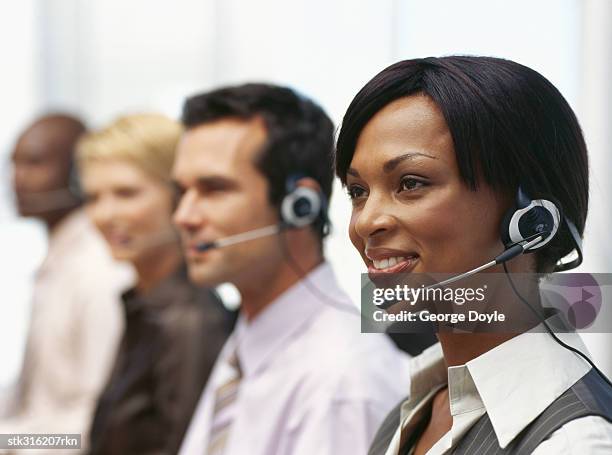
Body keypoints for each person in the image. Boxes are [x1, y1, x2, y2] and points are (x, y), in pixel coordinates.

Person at [335, 56, 612, 454]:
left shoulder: (574, 442)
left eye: (410, 183)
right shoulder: (413, 413)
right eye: (358, 191)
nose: (365, 223)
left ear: (531, 219)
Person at [173, 83, 410, 455]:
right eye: (182, 191)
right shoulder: (248, 342)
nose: (183, 216)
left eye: (214, 189)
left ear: (300, 204)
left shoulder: (343, 380)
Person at [76, 113, 235, 455]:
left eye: (126, 193)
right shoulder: (144, 303)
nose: (105, 214)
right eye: (93, 198)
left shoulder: (189, 322)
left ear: (178, 197)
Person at [2, 114, 131, 447]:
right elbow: (37, 399)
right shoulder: (59, 259)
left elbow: (93, 418)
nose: (18, 179)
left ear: (78, 174)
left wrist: (12, 443)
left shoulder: (99, 269)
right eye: (13, 164)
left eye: (34, 163)